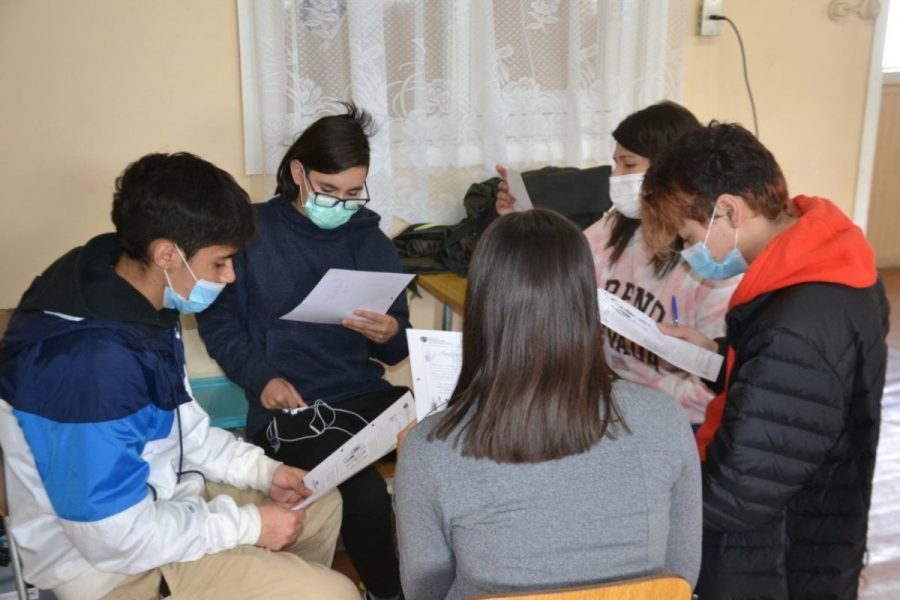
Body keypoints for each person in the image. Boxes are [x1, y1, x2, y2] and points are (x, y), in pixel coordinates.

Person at [0, 153, 359, 600]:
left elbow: (188, 433)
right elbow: (115, 538)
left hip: (163, 502)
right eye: (220, 262)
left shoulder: (140, 298)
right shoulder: (88, 365)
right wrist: (247, 526)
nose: (229, 277)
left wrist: (265, 471)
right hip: (106, 568)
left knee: (319, 503)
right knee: (335, 593)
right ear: (167, 253)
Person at [393, 209, 701, 599]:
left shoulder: (431, 448)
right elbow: (682, 574)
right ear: (585, 300)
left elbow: (425, 591)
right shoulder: (664, 418)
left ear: (483, 307)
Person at [640, 122, 889, 599]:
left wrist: (655, 500)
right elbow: (785, 397)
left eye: (688, 234)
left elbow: (740, 494)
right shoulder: (828, 265)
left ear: (729, 209)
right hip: (814, 519)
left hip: (775, 558)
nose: (686, 250)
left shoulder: (796, 320)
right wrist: (710, 355)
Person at [197, 103, 408, 600]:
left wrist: (389, 332)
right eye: (328, 190)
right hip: (290, 406)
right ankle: (389, 592)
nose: (340, 203)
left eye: (353, 193)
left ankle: (437, 576)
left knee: (447, 447)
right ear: (297, 172)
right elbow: (220, 325)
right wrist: (261, 378)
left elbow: (400, 339)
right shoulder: (251, 233)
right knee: (363, 495)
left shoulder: (370, 239)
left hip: (360, 393)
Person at [497, 102, 738, 425]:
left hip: (669, 420)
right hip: (601, 404)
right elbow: (559, 277)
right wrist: (520, 224)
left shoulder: (710, 261)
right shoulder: (614, 230)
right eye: (615, 164)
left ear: (671, 168)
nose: (615, 177)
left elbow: (714, 386)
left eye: (628, 164)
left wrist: (631, 409)